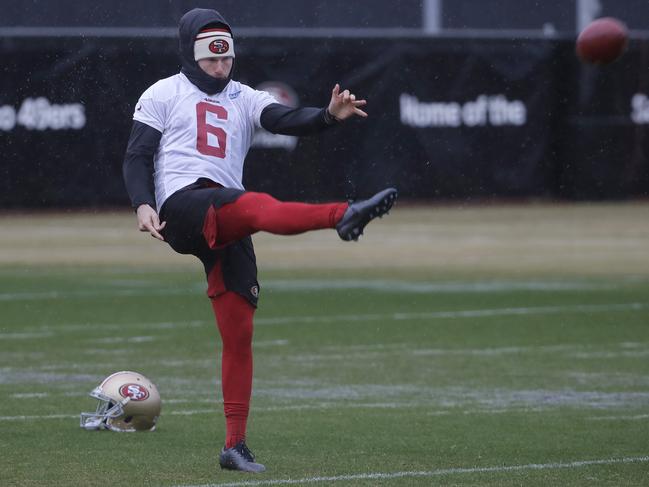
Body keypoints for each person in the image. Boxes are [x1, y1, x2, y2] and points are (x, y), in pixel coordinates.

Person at [122, 7, 397, 474]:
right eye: (210, 57)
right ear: (190, 54)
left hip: (225, 217)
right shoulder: (163, 92)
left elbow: (288, 119)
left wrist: (329, 116)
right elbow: (137, 155)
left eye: (226, 57)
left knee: (240, 333)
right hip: (184, 206)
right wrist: (143, 203)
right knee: (256, 207)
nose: (219, 66)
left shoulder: (244, 97)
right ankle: (342, 215)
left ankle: (234, 445)